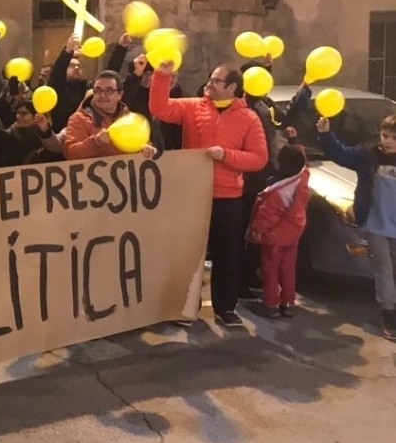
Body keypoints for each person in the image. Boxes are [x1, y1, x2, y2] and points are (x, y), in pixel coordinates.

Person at [149, 61, 267, 328]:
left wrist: (226, 155)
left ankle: (225, 308)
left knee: (227, 254)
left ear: (232, 87)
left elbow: (259, 159)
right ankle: (185, 308)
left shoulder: (249, 118)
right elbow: (159, 108)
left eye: (216, 81)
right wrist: (162, 75)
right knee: (190, 255)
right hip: (193, 194)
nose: (209, 85)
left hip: (228, 198)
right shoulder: (193, 107)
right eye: (210, 80)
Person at [317, 114, 396, 340]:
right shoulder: (368, 156)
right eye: (385, 135)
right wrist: (325, 134)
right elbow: (341, 153)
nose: (387, 141)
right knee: (383, 267)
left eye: (393, 137)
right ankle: (389, 313)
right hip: (375, 223)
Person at [245, 144, 310, 319]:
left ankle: (270, 303)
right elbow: (303, 160)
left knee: (270, 269)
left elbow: (268, 215)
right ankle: (288, 302)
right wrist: (293, 140)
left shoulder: (278, 190)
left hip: (275, 235)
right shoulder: (302, 177)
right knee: (288, 268)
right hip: (293, 233)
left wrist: (257, 230)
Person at [63, 70, 158, 161]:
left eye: (108, 91)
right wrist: (95, 142)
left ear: (120, 94)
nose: (102, 95)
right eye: (98, 90)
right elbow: (70, 153)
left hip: (127, 175)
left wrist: (147, 149)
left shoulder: (130, 118)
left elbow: (143, 142)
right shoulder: (79, 118)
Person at [47, 34, 92, 134]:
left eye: (78, 66)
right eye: (71, 66)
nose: (76, 68)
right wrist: (68, 50)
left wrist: (121, 48)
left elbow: (108, 76)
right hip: (64, 137)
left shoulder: (88, 87)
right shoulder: (58, 89)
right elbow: (57, 73)